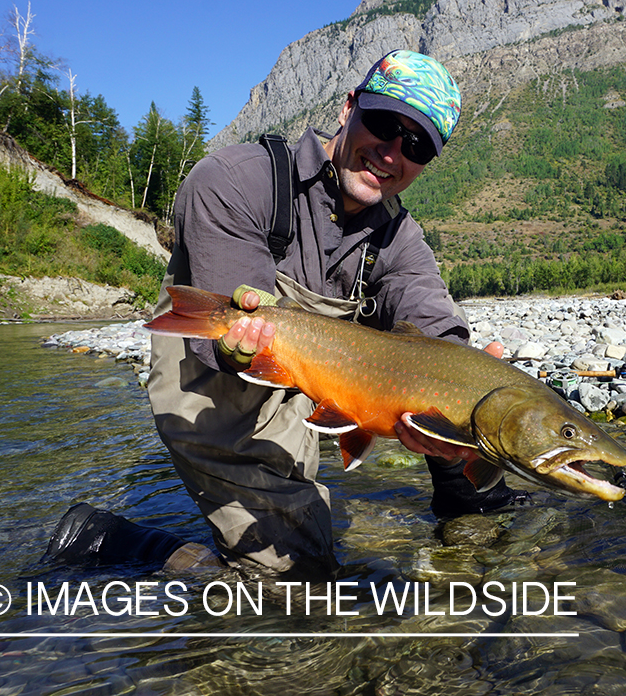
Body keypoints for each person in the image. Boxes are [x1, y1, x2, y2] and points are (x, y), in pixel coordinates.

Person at [44, 50, 523, 575]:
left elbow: (428, 314)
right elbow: (220, 337)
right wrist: (238, 341)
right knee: (296, 580)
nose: (391, 153)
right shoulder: (235, 181)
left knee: (449, 390)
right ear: (348, 109)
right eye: (383, 123)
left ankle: (466, 510)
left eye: (416, 145)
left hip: (318, 373)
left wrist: (472, 377)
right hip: (218, 380)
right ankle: (116, 543)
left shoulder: (398, 236)